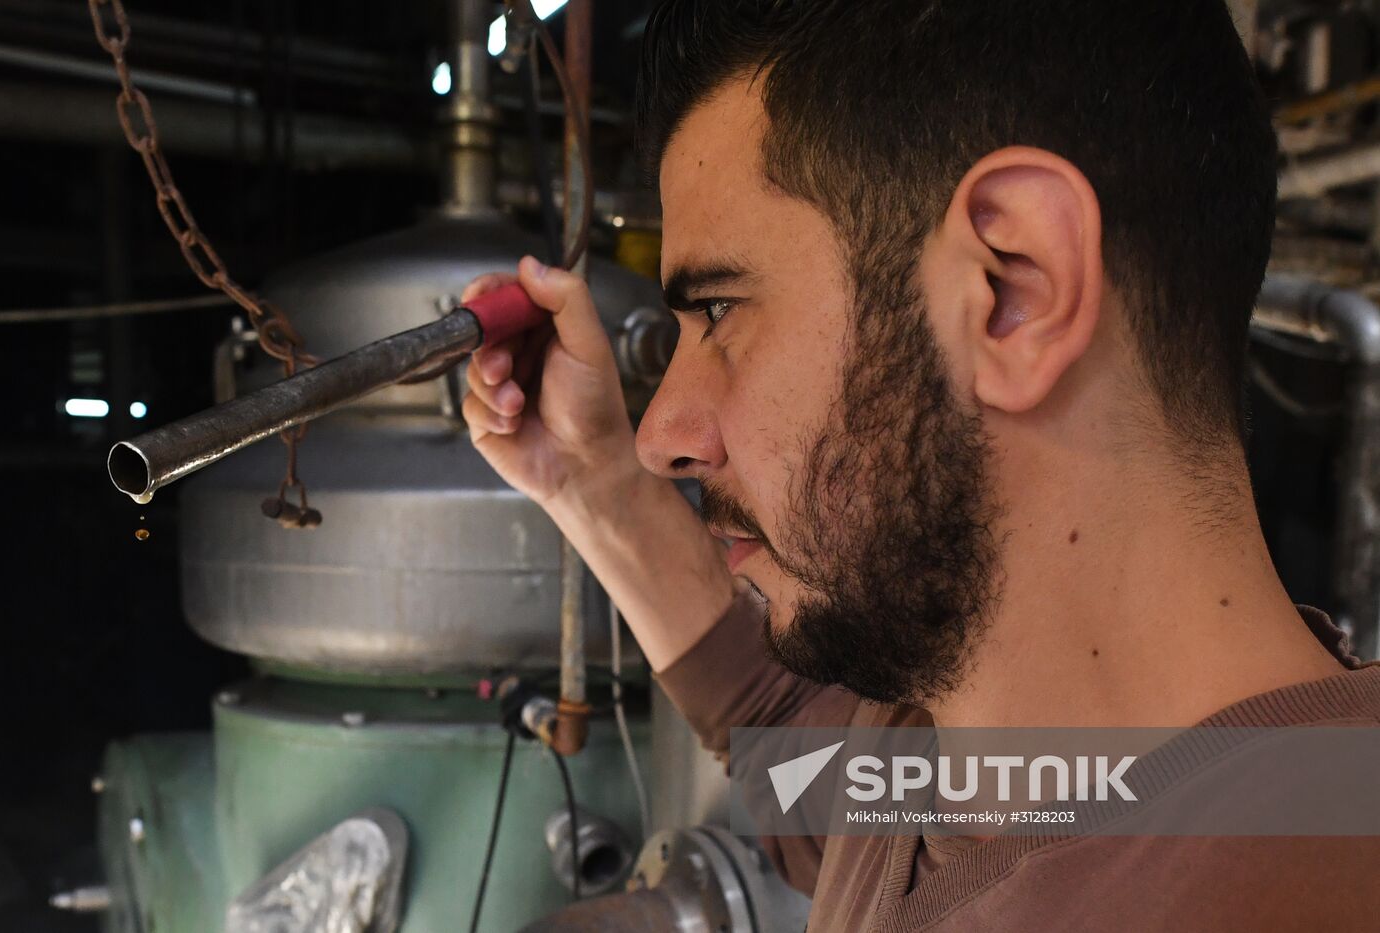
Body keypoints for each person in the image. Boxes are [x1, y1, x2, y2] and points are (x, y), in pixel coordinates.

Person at [461, 1, 1380, 929]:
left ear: (1014, 291)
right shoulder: (957, 767)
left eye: (720, 311)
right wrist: (596, 477)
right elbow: (776, 725)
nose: (664, 433)